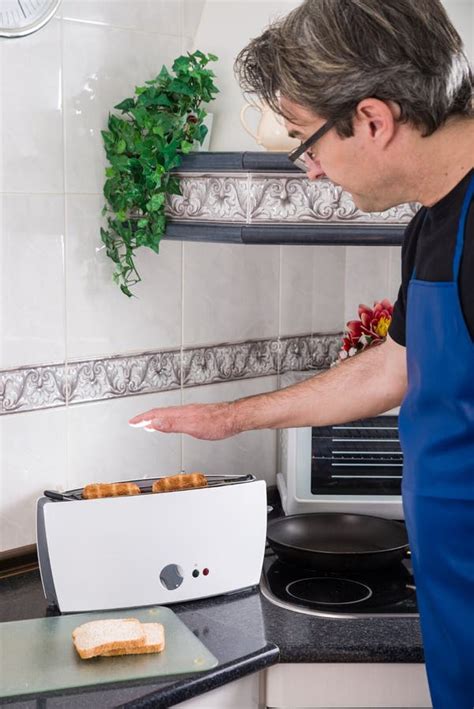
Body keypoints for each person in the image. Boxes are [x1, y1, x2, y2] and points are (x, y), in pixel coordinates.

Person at [129, 1, 474, 706]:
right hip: (454, 593)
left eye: (304, 141)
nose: (310, 171)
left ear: (374, 120)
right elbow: (395, 366)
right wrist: (230, 418)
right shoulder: (434, 221)